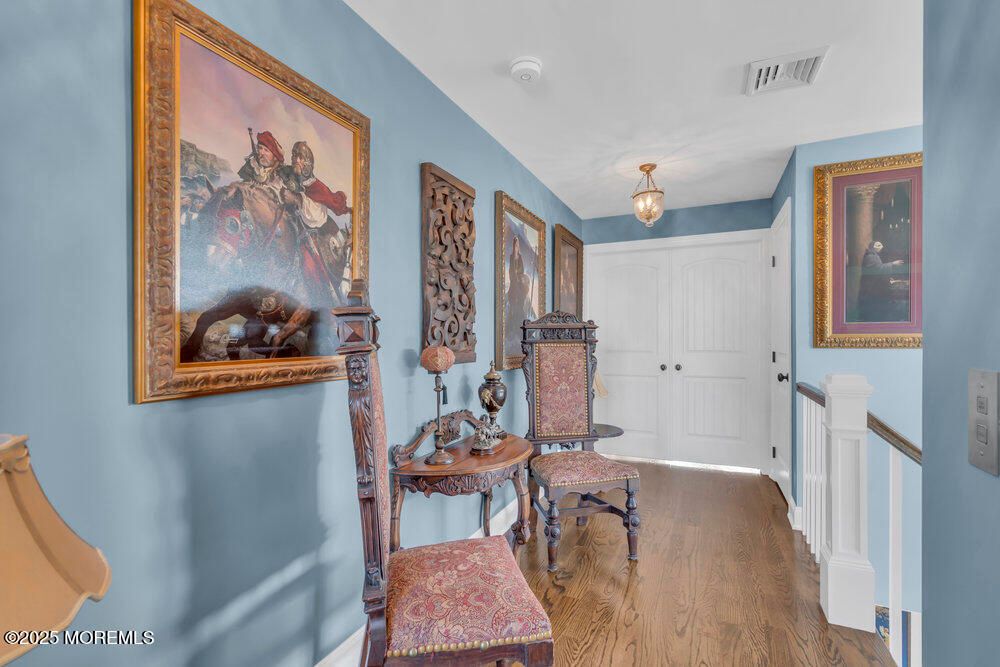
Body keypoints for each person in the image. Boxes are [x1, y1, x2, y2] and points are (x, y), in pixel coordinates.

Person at [858, 240, 905, 322]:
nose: (881, 247)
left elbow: (878, 269)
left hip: (873, 287)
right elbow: (877, 269)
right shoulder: (870, 256)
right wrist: (892, 264)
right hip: (870, 289)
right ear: (873, 247)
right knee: (873, 310)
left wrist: (886, 278)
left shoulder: (874, 255)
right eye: (878, 245)